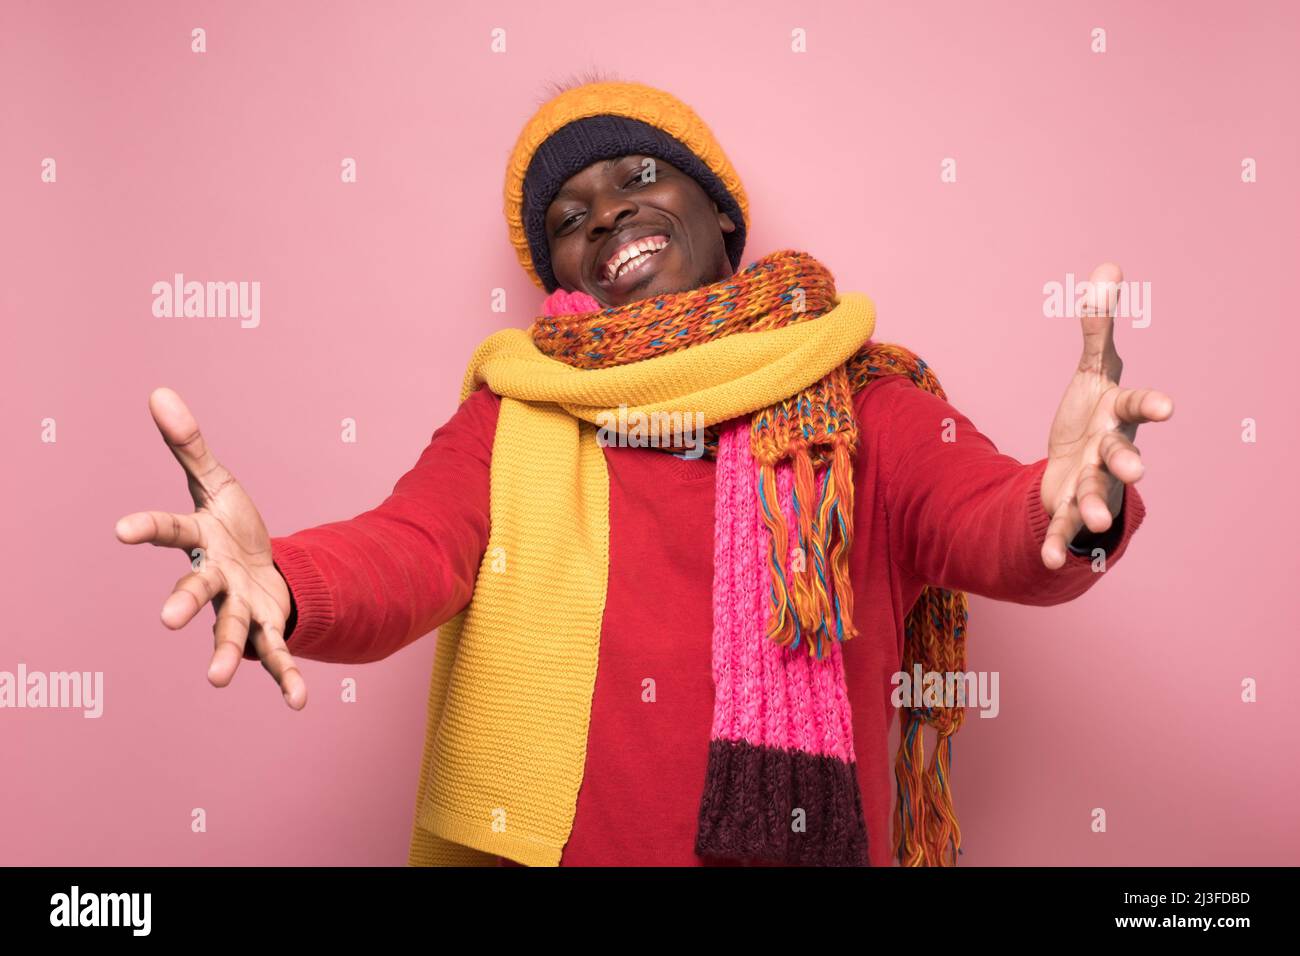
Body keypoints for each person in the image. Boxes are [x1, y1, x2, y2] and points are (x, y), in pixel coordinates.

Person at [115, 77, 1173, 867]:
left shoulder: (860, 401)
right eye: (567, 220)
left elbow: (993, 522)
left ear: (722, 216)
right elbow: (411, 551)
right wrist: (286, 580)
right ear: (564, 275)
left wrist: (1075, 498)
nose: (606, 215)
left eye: (635, 177)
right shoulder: (513, 414)